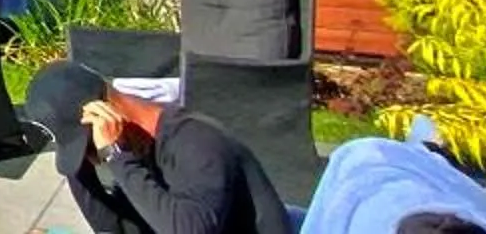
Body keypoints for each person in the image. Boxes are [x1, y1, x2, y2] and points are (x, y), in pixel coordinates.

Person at [21, 62, 291, 233]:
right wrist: (78, 170)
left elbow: (190, 230)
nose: (96, 159)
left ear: (107, 114)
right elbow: (115, 229)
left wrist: (115, 156)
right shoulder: (136, 153)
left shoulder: (197, 142)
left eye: (88, 146)